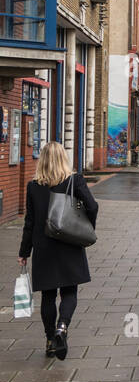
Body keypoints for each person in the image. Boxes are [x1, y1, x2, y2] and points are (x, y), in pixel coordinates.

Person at [18, 142, 98, 361]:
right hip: (70, 243)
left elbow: (30, 221)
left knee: (48, 295)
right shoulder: (75, 180)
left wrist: (24, 251)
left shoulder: (33, 186)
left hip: (44, 246)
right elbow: (93, 206)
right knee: (69, 291)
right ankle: (62, 327)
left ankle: (50, 340)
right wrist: (84, 228)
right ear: (64, 158)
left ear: (42, 160)